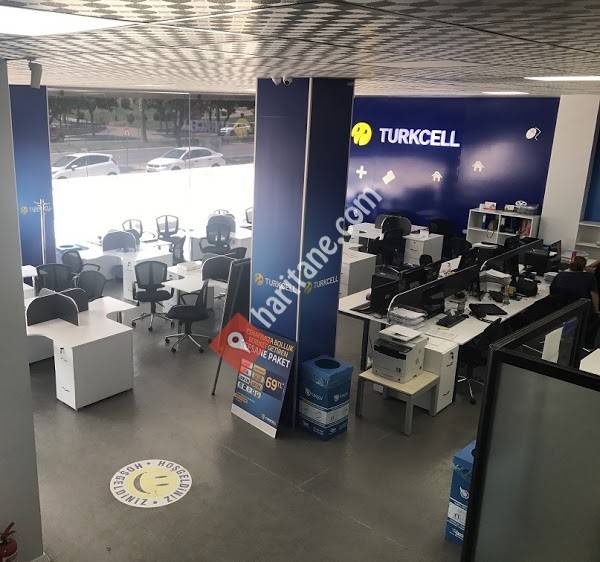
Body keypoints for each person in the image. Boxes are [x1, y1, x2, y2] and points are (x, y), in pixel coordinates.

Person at [550, 256, 600, 346]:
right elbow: (594, 295)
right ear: (584, 267)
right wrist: (596, 311)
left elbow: (552, 292)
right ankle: (588, 345)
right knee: (595, 318)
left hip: (560, 310)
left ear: (569, 266)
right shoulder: (590, 277)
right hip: (579, 311)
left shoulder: (560, 275)